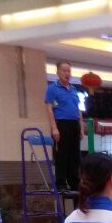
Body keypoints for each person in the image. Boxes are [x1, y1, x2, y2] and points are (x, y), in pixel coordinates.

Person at [44, 61, 85, 191]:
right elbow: (49, 108)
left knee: (75, 155)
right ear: (58, 72)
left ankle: (74, 182)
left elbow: (78, 109)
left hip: (74, 124)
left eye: (69, 71)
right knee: (62, 154)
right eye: (64, 70)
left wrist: (81, 127)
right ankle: (61, 183)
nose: (67, 73)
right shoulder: (52, 88)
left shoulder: (73, 89)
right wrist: (54, 128)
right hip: (61, 124)